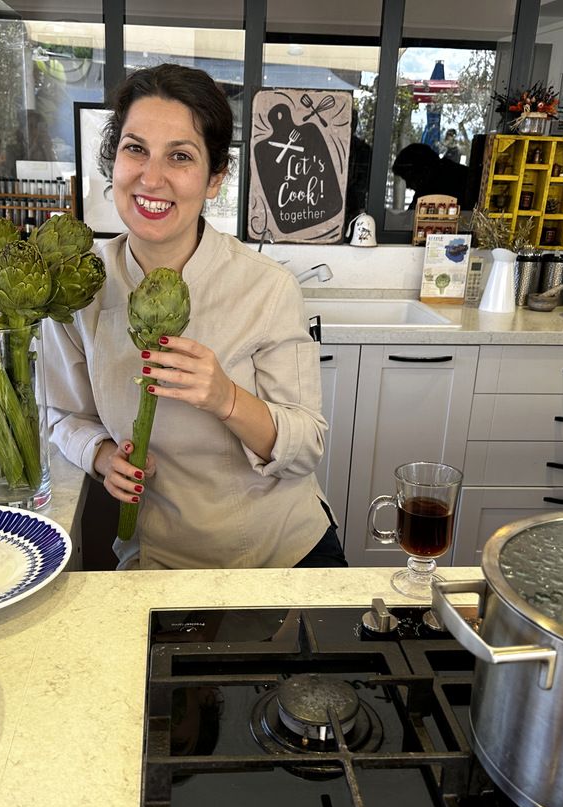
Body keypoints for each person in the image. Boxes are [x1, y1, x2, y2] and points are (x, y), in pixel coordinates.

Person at [43, 64, 346, 570]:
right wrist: (100, 455)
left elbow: (306, 445)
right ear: (112, 161)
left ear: (214, 179)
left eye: (180, 157)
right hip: (153, 558)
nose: (151, 177)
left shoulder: (266, 288)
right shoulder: (80, 286)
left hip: (277, 555)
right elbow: (63, 415)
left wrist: (226, 398)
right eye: (134, 149)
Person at [391, 142, 470, 209]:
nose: (408, 185)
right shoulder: (428, 185)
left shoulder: (432, 189)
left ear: (423, 170)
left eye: (409, 178)